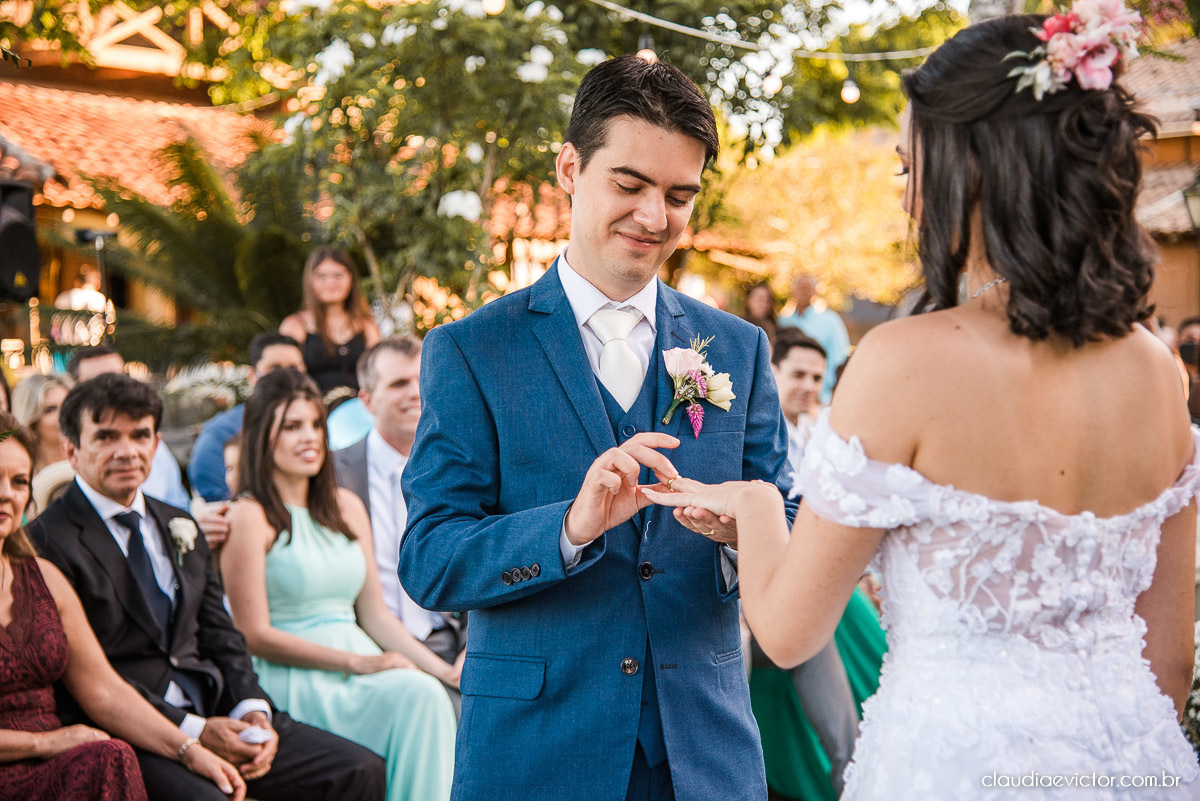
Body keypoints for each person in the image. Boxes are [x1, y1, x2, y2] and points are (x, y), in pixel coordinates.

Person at [644, 9, 1200, 798]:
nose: (908, 200)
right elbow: (1170, 663)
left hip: (955, 768)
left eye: (911, 169)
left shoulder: (903, 362)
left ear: (975, 167)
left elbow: (790, 628)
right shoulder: (1156, 373)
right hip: (1134, 764)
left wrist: (759, 503)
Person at [399, 54, 795, 801]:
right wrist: (568, 527)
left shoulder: (737, 347)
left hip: (704, 756)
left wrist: (744, 526)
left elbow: (789, 513)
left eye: (680, 195)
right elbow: (429, 559)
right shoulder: (471, 350)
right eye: (630, 184)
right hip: (538, 755)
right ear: (569, 166)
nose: (655, 217)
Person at [27, 373, 388, 801]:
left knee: (358, 768)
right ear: (71, 448)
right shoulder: (45, 542)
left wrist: (252, 711)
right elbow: (91, 681)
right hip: (132, 731)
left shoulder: (180, 524)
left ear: (157, 444)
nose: (127, 451)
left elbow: (221, 634)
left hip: (216, 706)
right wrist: (195, 733)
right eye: (106, 437)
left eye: (140, 435)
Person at [222, 369, 456, 801]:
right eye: (291, 427)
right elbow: (252, 634)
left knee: (427, 692)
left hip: (359, 658)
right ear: (261, 436)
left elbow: (374, 615)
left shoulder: (346, 507)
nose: (309, 438)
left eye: (315, 424)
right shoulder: (248, 516)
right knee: (416, 699)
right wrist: (361, 664)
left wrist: (442, 671)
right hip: (296, 673)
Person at [0, 415, 246, 801]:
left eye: (18, 482)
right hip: (33, 756)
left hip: (62, 762)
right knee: (106, 758)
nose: (7, 494)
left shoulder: (41, 576)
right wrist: (43, 744)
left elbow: (104, 690)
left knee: (114, 756)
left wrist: (190, 751)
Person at [334, 336, 466, 712]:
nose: (415, 392)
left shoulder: (460, 468)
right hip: (365, 643)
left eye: (421, 380)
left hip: (450, 637)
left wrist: (471, 648)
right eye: (398, 384)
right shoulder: (329, 474)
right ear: (367, 401)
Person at [188, 332, 307, 504]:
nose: (286, 377)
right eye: (274, 369)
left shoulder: (320, 427)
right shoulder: (220, 433)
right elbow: (217, 500)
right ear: (252, 376)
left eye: (294, 369)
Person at [66, 346, 189, 510]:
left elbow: (178, 508)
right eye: (104, 438)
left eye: (119, 377)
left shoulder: (158, 453)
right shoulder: (73, 444)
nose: (128, 452)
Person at [280, 248, 380, 397]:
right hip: (313, 413)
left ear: (351, 278)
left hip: (360, 412)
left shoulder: (367, 327)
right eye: (322, 276)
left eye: (338, 275)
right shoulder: (295, 326)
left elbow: (379, 375)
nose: (331, 282)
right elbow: (285, 380)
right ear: (310, 280)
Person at [777, 275, 849, 405]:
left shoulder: (830, 321)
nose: (804, 292)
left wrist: (823, 393)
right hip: (787, 398)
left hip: (821, 398)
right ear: (793, 291)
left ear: (815, 292)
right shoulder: (783, 321)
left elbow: (840, 359)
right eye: (801, 287)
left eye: (808, 288)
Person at [770, 329, 826, 479]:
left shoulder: (820, 432)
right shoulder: (757, 434)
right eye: (798, 375)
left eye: (817, 378)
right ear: (772, 373)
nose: (809, 387)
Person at [12, 373, 73, 471]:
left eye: (68, 405)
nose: (64, 415)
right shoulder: (22, 471)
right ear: (32, 422)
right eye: (50, 410)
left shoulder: (90, 461)